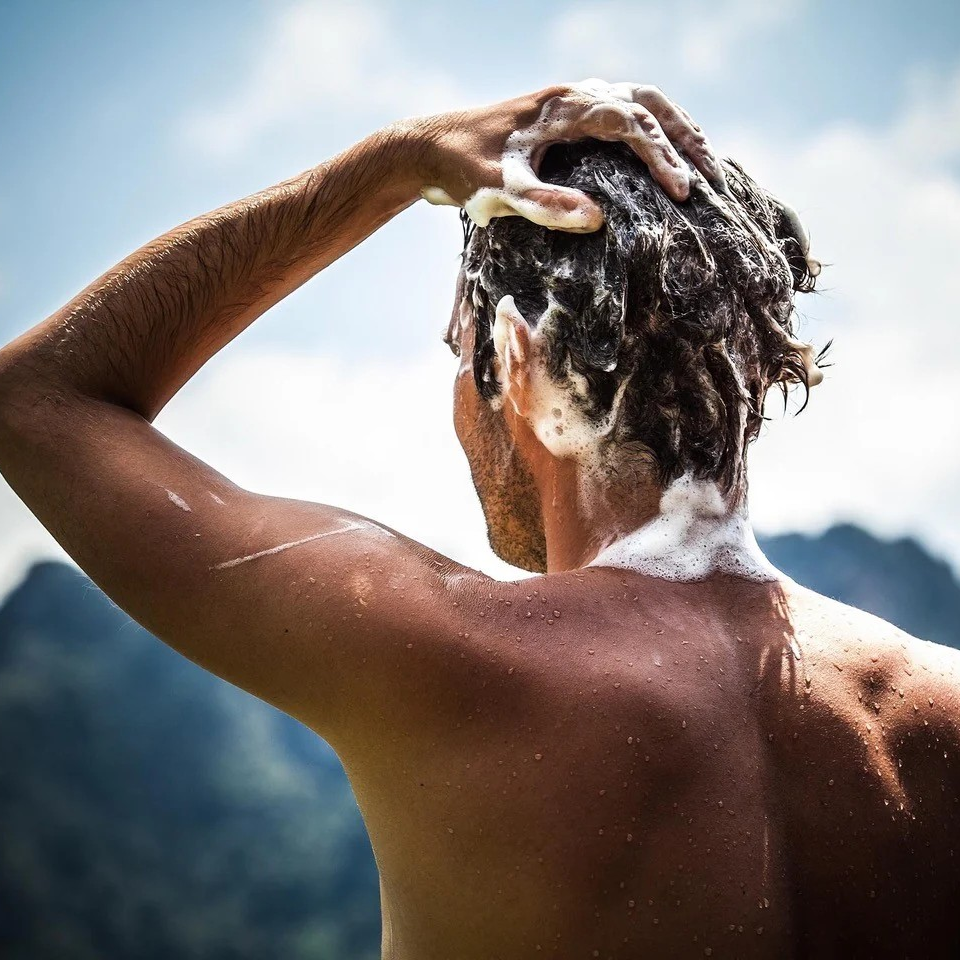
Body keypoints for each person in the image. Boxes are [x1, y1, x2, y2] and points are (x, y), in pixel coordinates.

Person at [0, 81, 957, 959]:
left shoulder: (443, 656)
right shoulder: (940, 709)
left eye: (460, 350)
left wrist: (394, 164)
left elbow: (37, 399)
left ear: (519, 357)